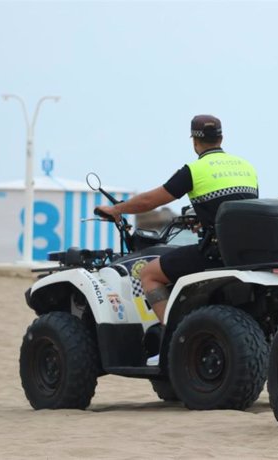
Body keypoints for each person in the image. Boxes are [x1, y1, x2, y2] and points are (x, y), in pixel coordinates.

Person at [95, 115, 259, 363]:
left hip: (215, 254)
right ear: (222, 138)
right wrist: (203, 220)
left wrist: (117, 209)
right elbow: (234, 210)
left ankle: (171, 343)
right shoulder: (247, 167)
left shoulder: (194, 170)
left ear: (194, 142)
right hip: (248, 253)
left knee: (149, 274)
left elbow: (152, 201)